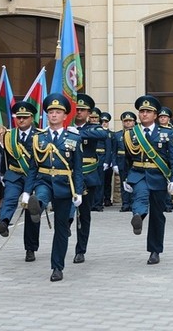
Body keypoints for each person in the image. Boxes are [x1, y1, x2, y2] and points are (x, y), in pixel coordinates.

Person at [23, 93, 84, 281]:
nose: (54, 115)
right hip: (44, 180)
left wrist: (79, 192)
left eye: (58, 112)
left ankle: (57, 267)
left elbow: (78, 169)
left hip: (65, 185)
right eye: (51, 112)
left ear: (65, 116)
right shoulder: (37, 138)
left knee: (61, 228)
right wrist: (26, 191)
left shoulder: (73, 137)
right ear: (46, 116)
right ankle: (37, 207)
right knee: (40, 195)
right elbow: (33, 167)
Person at [122, 95, 173, 265]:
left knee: (157, 214)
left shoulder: (167, 133)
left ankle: (154, 251)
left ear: (155, 115)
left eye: (148, 111)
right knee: (140, 196)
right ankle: (138, 217)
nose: (144, 114)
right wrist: (126, 177)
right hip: (138, 174)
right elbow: (125, 158)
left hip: (158, 176)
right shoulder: (130, 134)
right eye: (142, 111)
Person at [69, 93, 107, 264]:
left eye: (82, 110)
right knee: (65, 212)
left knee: (84, 215)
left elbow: (102, 135)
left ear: (89, 113)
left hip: (87, 175)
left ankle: (81, 249)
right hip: (67, 176)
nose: (79, 112)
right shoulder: (65, 127)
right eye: (76, 109)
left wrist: (77, 133)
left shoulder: (93, 128)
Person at [0, 102, 37, 243]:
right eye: (18, 117)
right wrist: (2, 173)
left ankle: (30, 247)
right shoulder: (8, 136)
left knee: (31, 212)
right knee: (10, 199)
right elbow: (5, 156)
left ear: (31, 118)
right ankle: (3, 223)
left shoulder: (40, 135)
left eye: (24, 117)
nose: (21, 120)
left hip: (34, 177)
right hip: (14, 175)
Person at [113, 111, 136, 212]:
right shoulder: (117, 135)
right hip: (121, 161)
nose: (128, 123)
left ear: (134, 122)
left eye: (130, 121)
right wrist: (114, 164)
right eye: (125, 121)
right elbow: (113, 151)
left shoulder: (137, 134)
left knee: (134, 183)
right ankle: (125, 204)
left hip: (134, 161)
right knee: (123, 183)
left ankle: (133, 203)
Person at [158, 107, 173, 212]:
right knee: (161, 183)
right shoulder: (156, 130)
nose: (162, 119)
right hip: (161, 160)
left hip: (171, 160)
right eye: (161, 117)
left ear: (169, 118)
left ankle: (169, 203)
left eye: (164, 117)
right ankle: (162, 203)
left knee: (171, 182)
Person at [100, 112, 114, 207]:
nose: (104, 123)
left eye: (106, 122)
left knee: (107, 181)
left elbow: (113, 148)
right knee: (99, 181)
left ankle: (107, 199)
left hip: (108, 159)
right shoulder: (97, 132)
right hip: (98, 159)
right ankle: (99, 199)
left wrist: (111, 161)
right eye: (102, 121)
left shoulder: (111, 134)